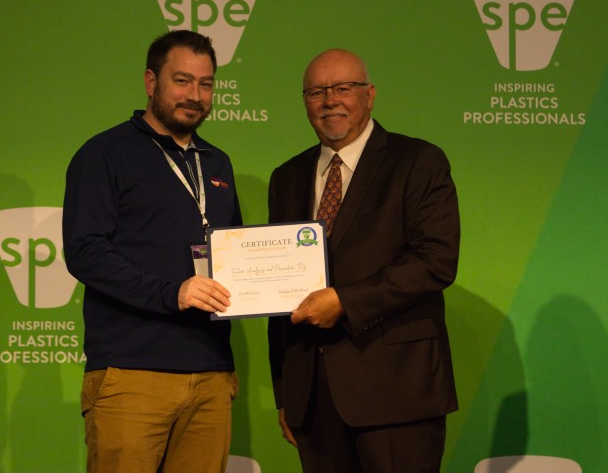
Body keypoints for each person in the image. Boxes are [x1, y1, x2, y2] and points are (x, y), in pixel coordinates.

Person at [267, 49, 460, 472]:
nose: (329, 101)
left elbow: (436, 260)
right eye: (316, 92)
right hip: (313, 400)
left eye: (342, 88)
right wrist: (287, 392)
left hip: (397, 393)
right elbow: (279, 290)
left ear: (369, 95)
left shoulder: (417, 161)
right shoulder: (287, 177)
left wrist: (344, 301)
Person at [63, 30, 241, 473]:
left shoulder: (217, 162)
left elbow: (234, 254)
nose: (195, 95)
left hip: (211, 373)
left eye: (206, 83)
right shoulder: (105, 154)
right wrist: (171, 293)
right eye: (182, 81)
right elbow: (85, 251)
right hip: (132, 372)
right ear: (150, 82)